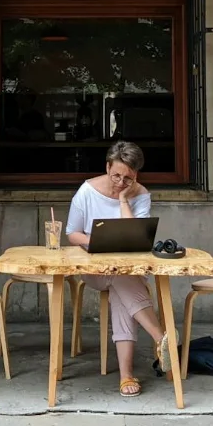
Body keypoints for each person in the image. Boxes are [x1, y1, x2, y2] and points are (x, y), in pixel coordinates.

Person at [64, 141, 171, 397]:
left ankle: (127, 376)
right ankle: (162, 340)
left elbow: (136, 237)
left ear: (136, 176)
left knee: (121, 284)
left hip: (127, 269)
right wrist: (98, 242)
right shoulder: (87, 191)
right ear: (107, 167)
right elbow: (72, 233)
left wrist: (124, 199)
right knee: (120, 277)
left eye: (128, 178)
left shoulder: (140, 194)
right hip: (95, 270)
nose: (120, 182)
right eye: (116, 176)